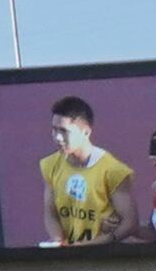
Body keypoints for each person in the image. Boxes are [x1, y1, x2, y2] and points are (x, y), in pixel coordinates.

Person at [36, 96, 133, 246]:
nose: (57, 137)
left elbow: (129, 223)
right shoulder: (50, 165)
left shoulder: (113, 171)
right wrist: (57, 241)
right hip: (69, 256)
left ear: (86, 132)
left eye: (63, 131)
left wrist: (91, 246)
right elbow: (50, 213)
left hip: (103, 257)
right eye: (54, 130)